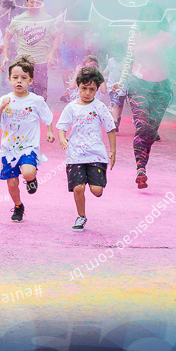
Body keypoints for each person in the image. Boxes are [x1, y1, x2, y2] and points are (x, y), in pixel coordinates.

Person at [0, 56, 55, 223]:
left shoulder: (36, 101)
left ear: (31, 80)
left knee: (27, 172)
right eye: (15, 77)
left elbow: (47, 117)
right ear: (9, 79)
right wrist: (1, 109)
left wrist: (49, 131)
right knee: (12, 183)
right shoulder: (4, 100)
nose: (19, 81)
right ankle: (18, 206)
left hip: (28, 147)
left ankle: (31, 179)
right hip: (8, 149)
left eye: (24, 78)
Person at [127, 3, 176, 190]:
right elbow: (128, 61)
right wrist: (119, 81)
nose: (150, 18)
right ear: (142, 19)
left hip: (161, 88)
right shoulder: (135, 38)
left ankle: (143, 164)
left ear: (159, 18)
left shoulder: (167, 38)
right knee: (142, 126)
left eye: (154, 15)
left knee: (150, 131)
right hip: (138, 85)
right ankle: (140, 168)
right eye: (147, 15)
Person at [56, 65, 116, 232]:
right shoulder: (71, 107)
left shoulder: (100, 107)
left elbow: (110, 129)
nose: (87, 93)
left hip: (96, 155)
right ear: (79, 86)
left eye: (92, 89)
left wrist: (112, 151)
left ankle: (93, 182)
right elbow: (61, 127)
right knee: (78, 187)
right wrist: (62, 139)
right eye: (84, 88)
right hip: (75, 155)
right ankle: (81, 216)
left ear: (96, 89)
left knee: (96, 191)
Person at [1, 0, 62, 99]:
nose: (34, 5)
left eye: (38, 3)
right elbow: (7, 37)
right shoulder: (18, 20)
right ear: (26, 3)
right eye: (32, 2)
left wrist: (52, 54)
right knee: (21, 97)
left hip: (41, 63)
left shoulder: (47, 19)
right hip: (23, 64)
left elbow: (57, 37)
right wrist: (5, 56)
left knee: (40, 98)